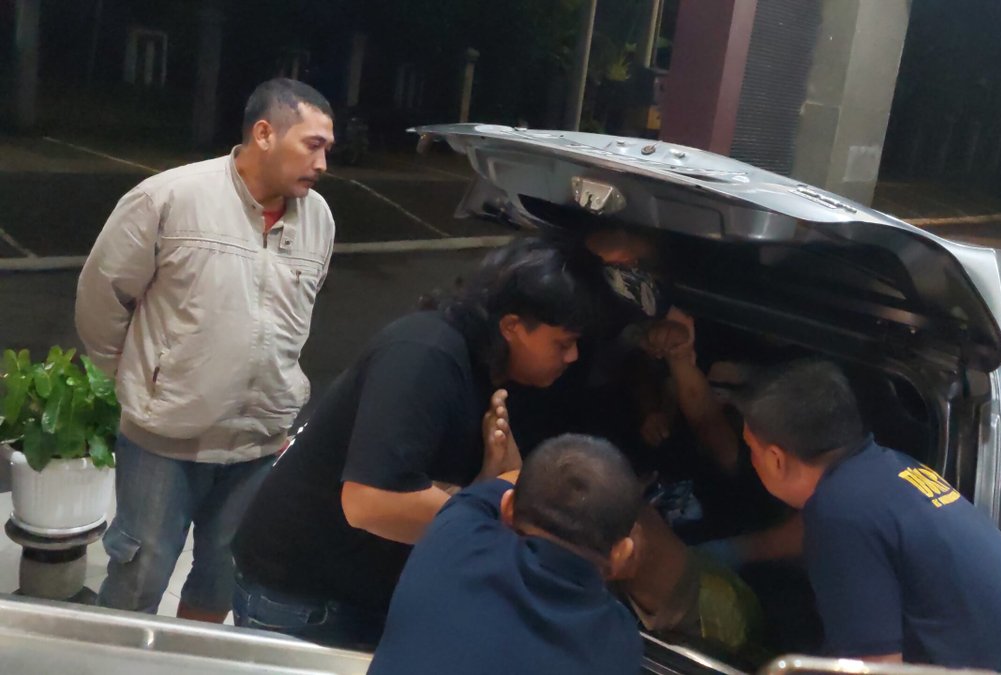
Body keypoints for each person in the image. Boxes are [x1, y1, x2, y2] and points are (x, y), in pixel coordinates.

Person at [230, 237, 604, 649]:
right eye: (562, 343)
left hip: (372, 592)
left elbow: (457, 485)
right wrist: (496, 519)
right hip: (304, 595)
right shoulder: (425, 355)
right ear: (512, 326)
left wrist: (488, 484)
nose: (572, 356)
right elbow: (371, 501)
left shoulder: (495, 369)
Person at [75, 78, 336, 622]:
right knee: (140, 573)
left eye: (327, 149)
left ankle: (192, 658)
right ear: (264, 133)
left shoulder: (319, 220)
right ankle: (114, 659)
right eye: (313, 145)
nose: (323, 164)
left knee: (223, 576)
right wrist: (138, 380)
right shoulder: (169, 198)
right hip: (165, 440)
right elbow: (102, 297)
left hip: (259, 441)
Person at [737, 358, 1001, 674]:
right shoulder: (893, 470)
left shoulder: (839, 513)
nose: (750, 461)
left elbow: (873, 670)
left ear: (776, 459)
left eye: (751, 449)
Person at [367, 434, 643, 675]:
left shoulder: (454, 536)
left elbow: (502, 486)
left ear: (508, 508)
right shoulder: (621, 644)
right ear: (621, 553)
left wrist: (517, 470)